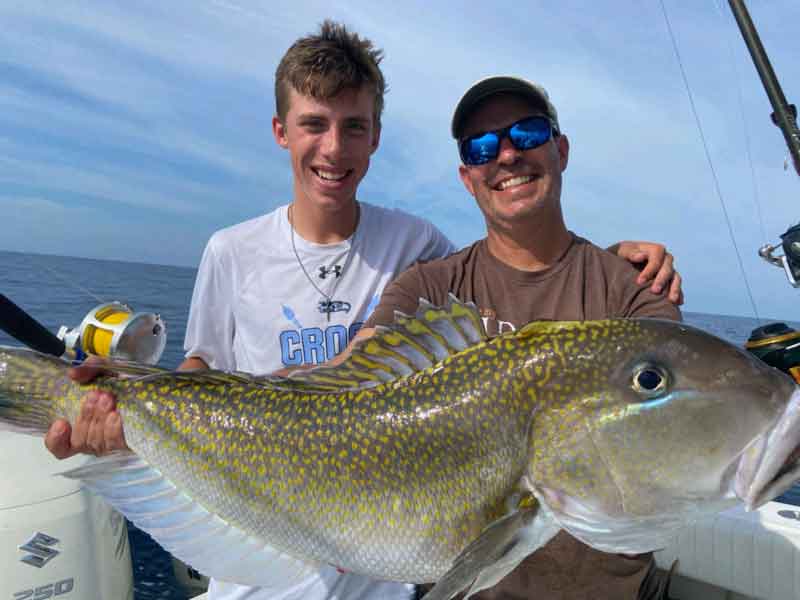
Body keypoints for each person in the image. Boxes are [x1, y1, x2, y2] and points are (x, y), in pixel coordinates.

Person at [43, 22, 682, 600]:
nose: (334, 147)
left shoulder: (418, 249)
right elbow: (253, 368)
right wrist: (122, 418)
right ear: (281, 132)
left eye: (353, 127)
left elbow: (522, 267)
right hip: (262, 549)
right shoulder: (235, 251)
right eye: (484, 145)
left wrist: (612, 260)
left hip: (380, 572)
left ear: (375, 137)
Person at [353, 76, 682, 599]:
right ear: (467, 177)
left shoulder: (631, 291)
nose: (506, 155)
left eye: (527, 133)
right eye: (481, 147)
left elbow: (675, 431)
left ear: (561, 150)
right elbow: (341, 389)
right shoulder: (428, 290)